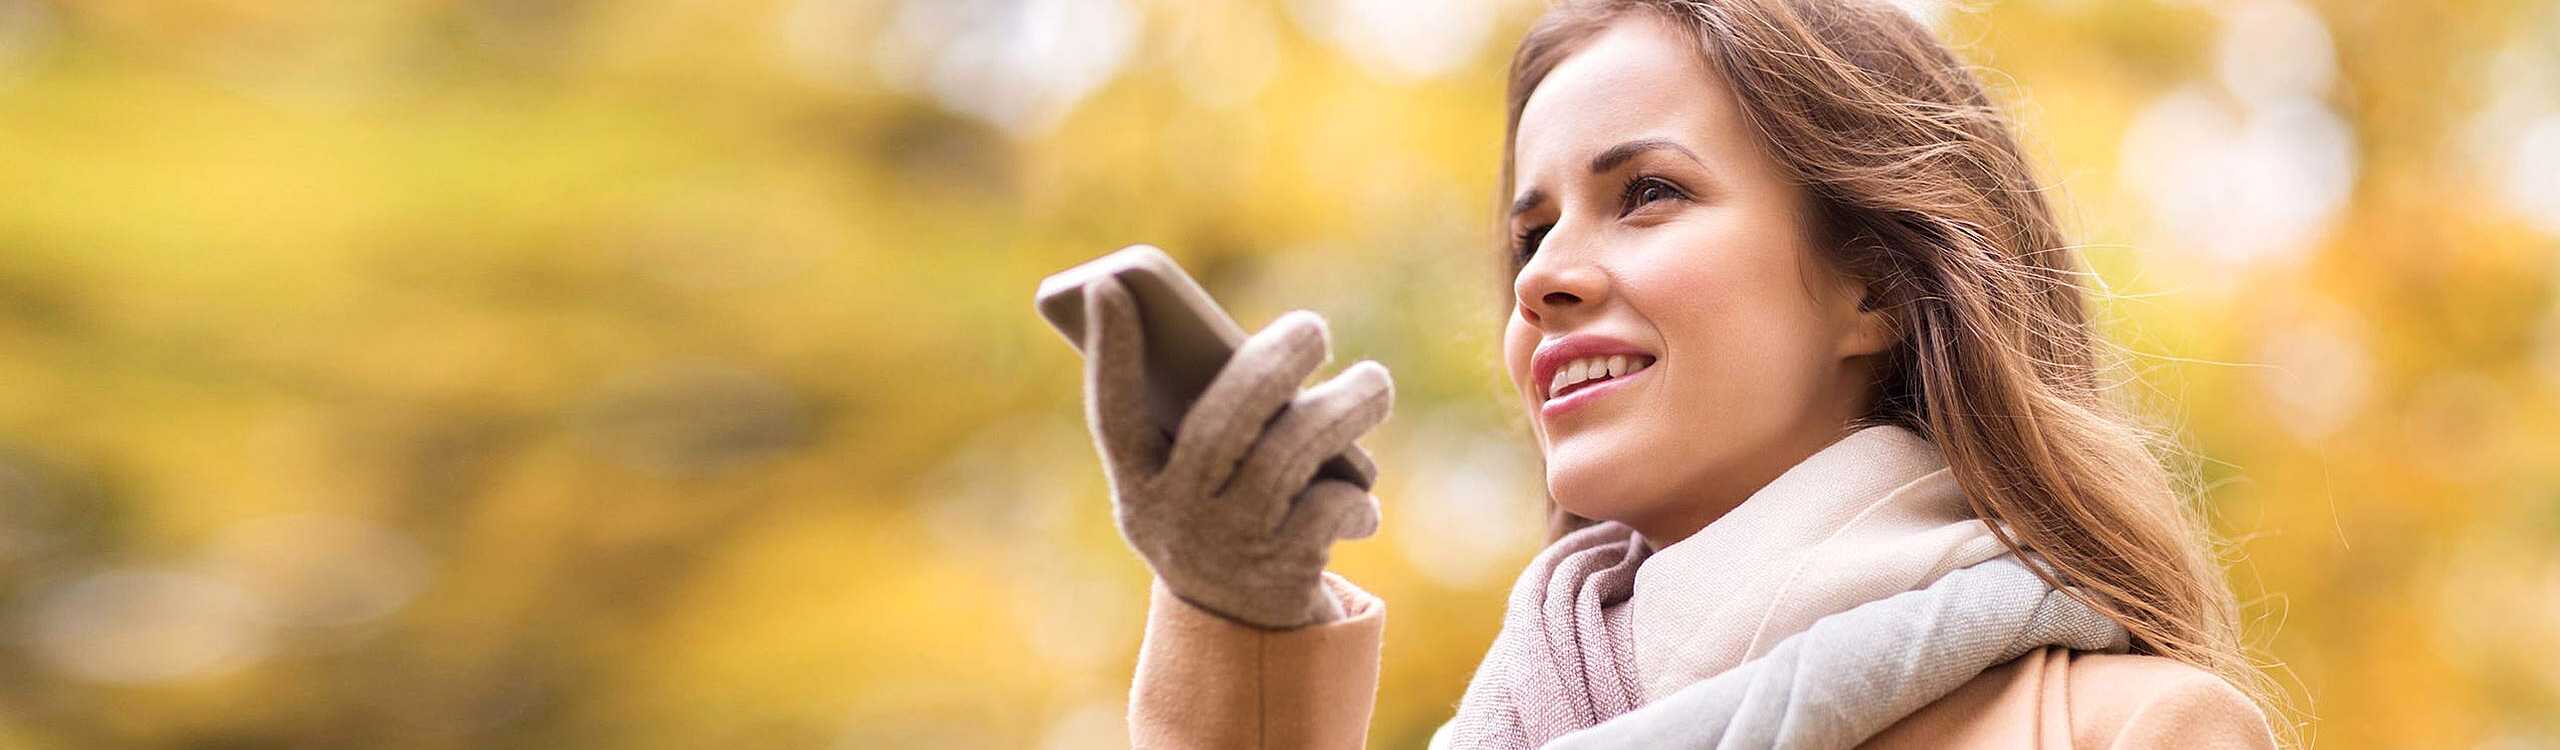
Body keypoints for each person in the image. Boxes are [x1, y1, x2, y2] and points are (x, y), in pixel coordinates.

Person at [1070, 0, 2288, 747]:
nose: (1541, 278)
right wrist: (1239, 626)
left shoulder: (2123, 737)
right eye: (1527, 233)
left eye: (1645, 194)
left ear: (1872, 284)